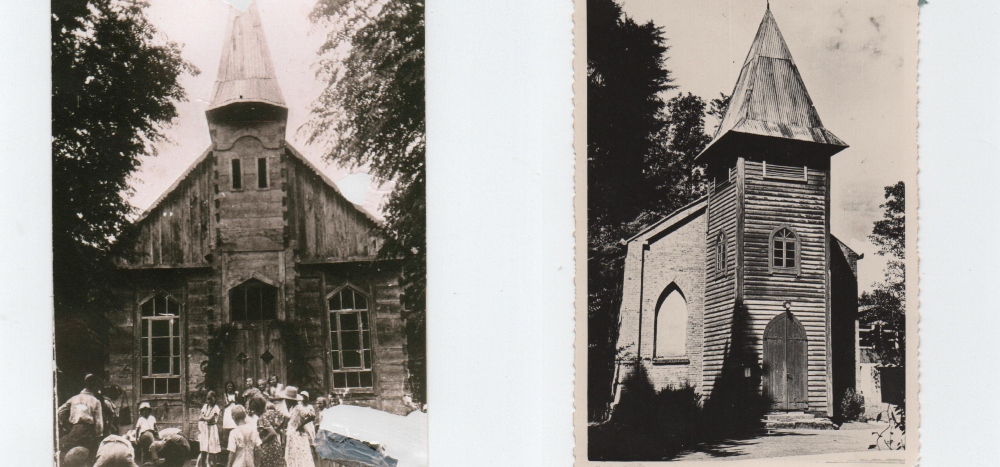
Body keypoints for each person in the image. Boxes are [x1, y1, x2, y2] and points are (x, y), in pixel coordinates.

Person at [58, 374, 105, 459]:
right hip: (88, 432)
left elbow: (60, 411)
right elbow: (99, 423)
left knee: (66, 449)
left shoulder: (74, 398)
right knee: (89, 455)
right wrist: (98, 438)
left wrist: (66, 424)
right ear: (95, 387)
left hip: (75, 430)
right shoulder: (95, 401)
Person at [282, 387, 315, 467]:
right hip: (292, 434)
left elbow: (312, 416)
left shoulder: (298, 407)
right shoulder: (292, 408)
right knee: (293, 455)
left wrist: (301, 425)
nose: (285, 401)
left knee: (299, 455)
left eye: (286, 400)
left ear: (290, 400)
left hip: (297, 436)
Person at [197, 391, 222, 467]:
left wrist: (204, 417)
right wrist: (205, 418)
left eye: (210, 399)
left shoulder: (216, 408)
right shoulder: (205, 406)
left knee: (213, 450)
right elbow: (199, 417)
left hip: (212, 430)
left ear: (214, 398)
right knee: (203, 449)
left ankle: (214, 465)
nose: (209, 401)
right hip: (205, 429)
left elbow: (210, 419)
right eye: (208, 399)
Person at [221, 381, 240, 461]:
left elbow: (238, 403)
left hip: (234, 411)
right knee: (227, 429)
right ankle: (228, 448)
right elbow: (224, 405)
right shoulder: (225, 395)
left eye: (231, 386)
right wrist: (230, 402)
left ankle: (235, 446)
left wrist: (235, 402)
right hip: (228, 412)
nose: (230, 388)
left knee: (235, 427)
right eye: (228, 386)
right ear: (226, 387)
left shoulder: (236, 394)